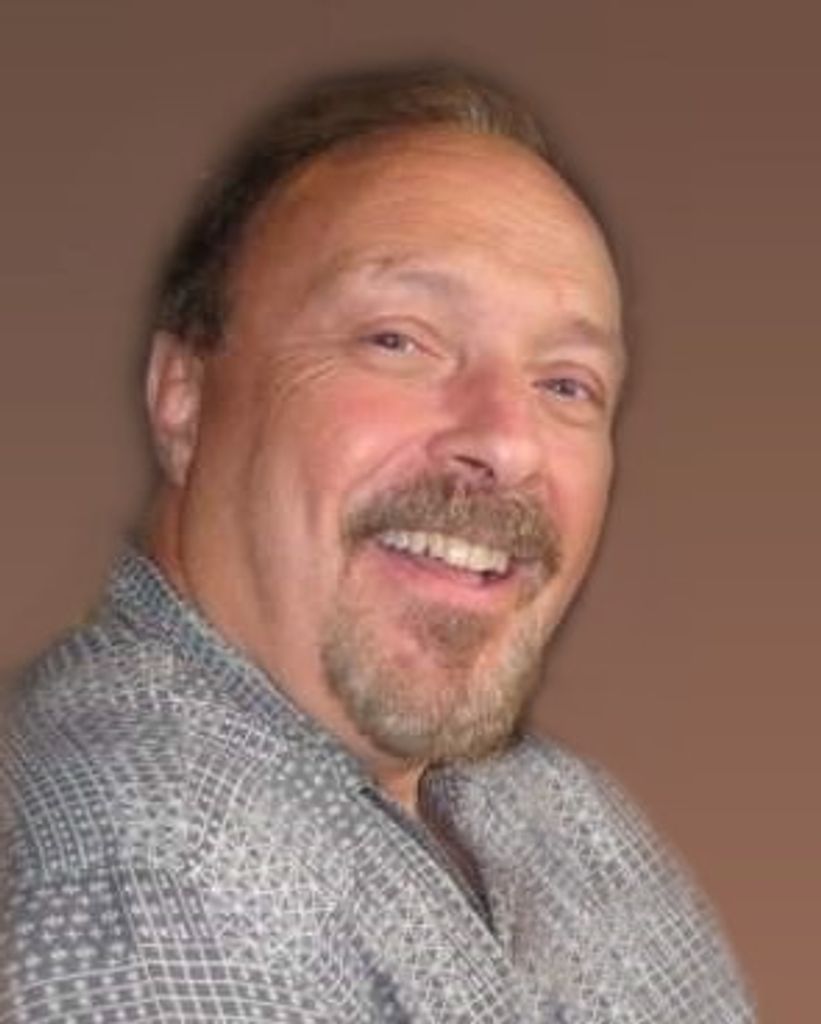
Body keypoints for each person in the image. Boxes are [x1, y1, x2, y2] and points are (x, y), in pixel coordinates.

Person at [0, 64, 754, 1022]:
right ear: (182, 397)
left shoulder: (557, 817)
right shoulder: (134, 895)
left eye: (565, 384)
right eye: (398, 340)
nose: (507, 443)